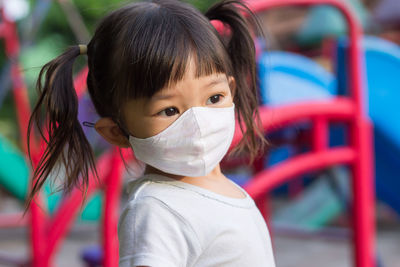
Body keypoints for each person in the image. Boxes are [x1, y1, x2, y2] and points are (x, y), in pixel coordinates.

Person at [26, 0, 276, 266]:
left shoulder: (225, 189)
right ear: (116, 132)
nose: (199, 122)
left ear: (232, 90)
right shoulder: (156, 211)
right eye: (169, 110)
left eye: (214, 97)